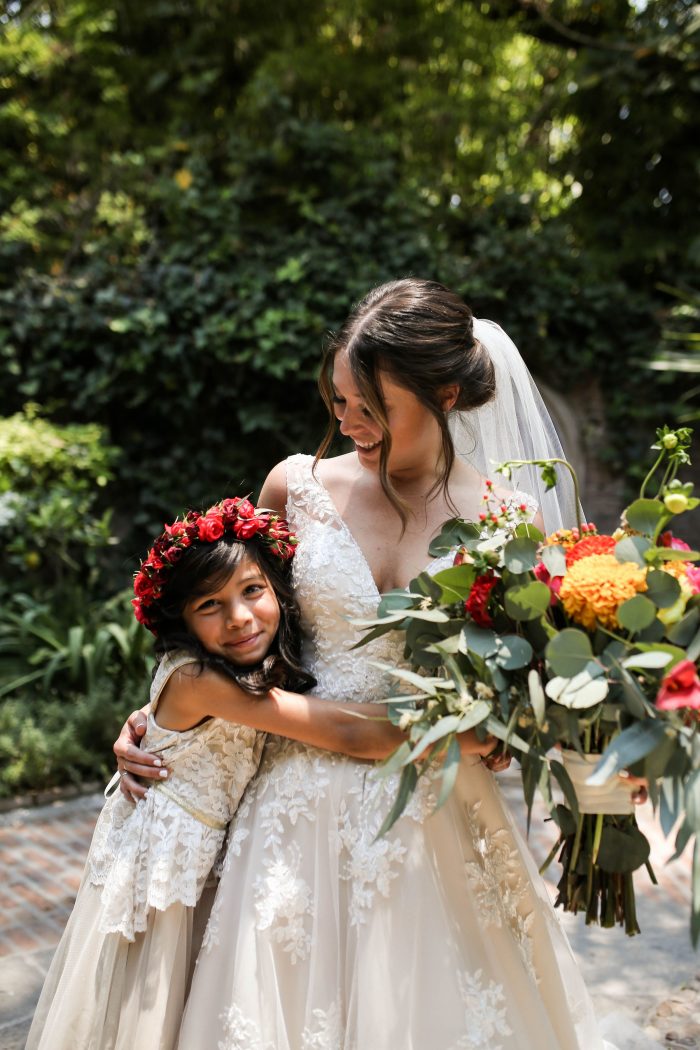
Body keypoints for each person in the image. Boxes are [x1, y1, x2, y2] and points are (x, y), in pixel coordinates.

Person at [116, 280, 634, 1049]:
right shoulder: (296, 489)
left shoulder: (508, 521)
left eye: (373, 408)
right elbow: (233, 633)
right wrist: (160, 723)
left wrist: (557, 736)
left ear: (447, 392)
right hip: (289, 824)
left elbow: (520, 692)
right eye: (340, 404)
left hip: (436, 825)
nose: (351, 426)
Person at [29, 493, 497, 1050]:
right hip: (160, 864)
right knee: (142, 1014)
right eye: (210, 606)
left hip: (201, 850)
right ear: (178, 620)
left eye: (253, 591)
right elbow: (349, 731)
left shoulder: (241, 667)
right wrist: (465, 732)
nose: (240, 618)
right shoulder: (199, 679)